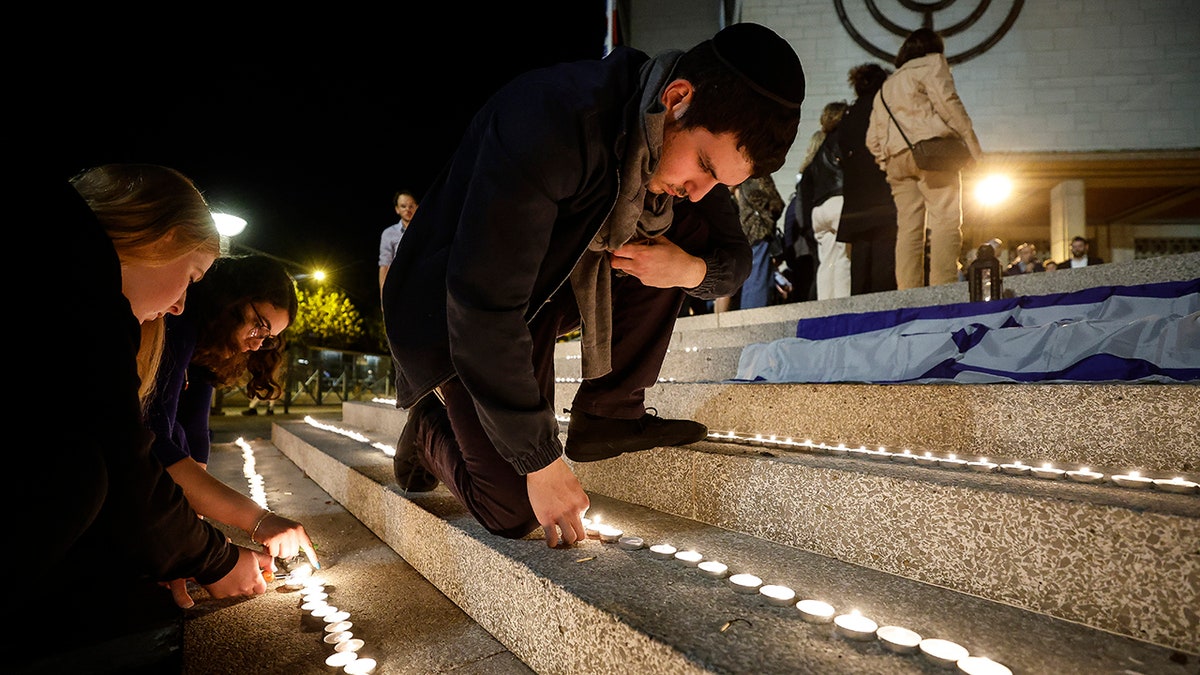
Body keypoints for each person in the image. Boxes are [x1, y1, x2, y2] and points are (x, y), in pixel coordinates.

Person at [381, 22, 804, 548]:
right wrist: (539, 459)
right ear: (677, 99)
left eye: (721, 184)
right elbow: (483, 304)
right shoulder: (552, 122)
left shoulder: (681, 153)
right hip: (448, 313)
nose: (700, 193)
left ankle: (609, 413)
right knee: (513, 510)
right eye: (704, 168)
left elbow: (733, 254)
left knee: (685, 233)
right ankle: (427, 429)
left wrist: (690, 272)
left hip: (546, 294)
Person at [16, 165, 273, 672]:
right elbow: (125, 454)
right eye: (191, 276)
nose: (180, 306)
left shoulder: (68, 280)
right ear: (162, 237)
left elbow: (162, 447)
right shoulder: (83, 301)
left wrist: (179, 541)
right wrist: (214, 559)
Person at [146, 254, 317, 608]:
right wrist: (257, 522)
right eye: (259, 325)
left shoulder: (206, 351)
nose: (257, 344)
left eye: (269, 337)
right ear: (233, 299)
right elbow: (156, 441)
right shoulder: (178, 324)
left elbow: (195, 438)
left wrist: (189, 536)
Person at [867, 27, 984, 289]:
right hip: (933, 153)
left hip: (896, 160)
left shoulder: (886, 86)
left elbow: (871, 139)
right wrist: (973, 148)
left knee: (909, 228)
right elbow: (948, 104)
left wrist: (885, 161)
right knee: (945, 218)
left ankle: (908, 292)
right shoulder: (932, 63)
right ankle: (943, 287)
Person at [836, 63, 898, 295]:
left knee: (860, 257)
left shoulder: (849, 114)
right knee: (884, 254)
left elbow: (841, 148)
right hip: (882, 191)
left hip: (856, 196)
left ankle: (860, 306)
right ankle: (882, 306)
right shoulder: (884, 109)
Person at [800, 101, 850, 300]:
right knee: (843, 258)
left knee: (826, 262)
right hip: (839, 201)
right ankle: (842, 307)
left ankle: (825, 308)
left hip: (818, 209)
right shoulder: (842, 140)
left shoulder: (819, 149)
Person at [728, 175, 785, 310]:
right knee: (758, 280)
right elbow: (772, 203)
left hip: (748, 234)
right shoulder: (754, 175)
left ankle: (751, 314)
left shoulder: (739, 184)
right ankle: (754, 315)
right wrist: (770, 217)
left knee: (753, 278)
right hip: (758, 230)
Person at [379, 189, 419, 296]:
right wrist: (384, 296)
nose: (407, 210)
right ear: (397, 209)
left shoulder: (426, 232)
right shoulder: (389, 234)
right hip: (399, 288)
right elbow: (385, 265)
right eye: (403, 206)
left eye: (411, 206)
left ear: (417, 207)